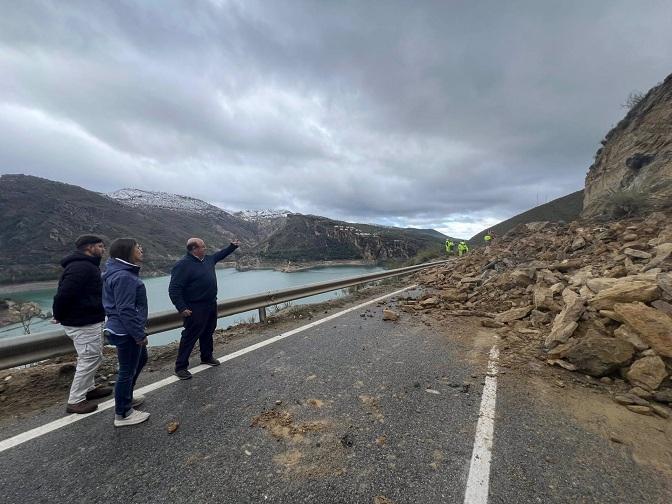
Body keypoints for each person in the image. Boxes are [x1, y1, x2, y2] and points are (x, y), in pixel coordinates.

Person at [52, 235, 112, 414]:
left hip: (87, 320)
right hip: (83, 322)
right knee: (90, 358)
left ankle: (89, 389)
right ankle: (75, 400)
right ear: (89, 248)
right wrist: (58, 315)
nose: (103, 250)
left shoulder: (86, 265)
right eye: (100, 246)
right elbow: (63, 295)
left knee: (91, 356)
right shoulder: (81, 267)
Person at [169, 238, 240, 380]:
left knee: (208, 332)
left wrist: (232, 247)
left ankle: (206, 357)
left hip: (210, 304)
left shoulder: (207, 260)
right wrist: (182, 307)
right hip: (194, 307)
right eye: (203, 246)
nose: (205, 249)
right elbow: (174, 289)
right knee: (190, 336)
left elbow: (221, 255)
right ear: (194, 249)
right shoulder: (183, 265)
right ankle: (181, 367)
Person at [102, 238, 150, 427]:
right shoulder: (124, 276)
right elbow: (125, 309)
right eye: (137, 247)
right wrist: (139, 334)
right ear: (127, 251)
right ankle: (123, 413)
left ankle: (126, 397)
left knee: (141, 359)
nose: (141, 249)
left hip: (122, 327)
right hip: (126, 330)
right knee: (126, 371)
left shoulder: (117, 272)